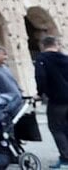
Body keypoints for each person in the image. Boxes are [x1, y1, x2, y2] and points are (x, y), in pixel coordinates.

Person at [35, 36, 68, 169]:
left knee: (56, 128)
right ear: (56, 45)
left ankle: (65, 158)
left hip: (57, 100)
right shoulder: (65, 58)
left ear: (43, 46)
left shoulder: (42, 58)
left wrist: (40, 93)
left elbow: (41, 77)